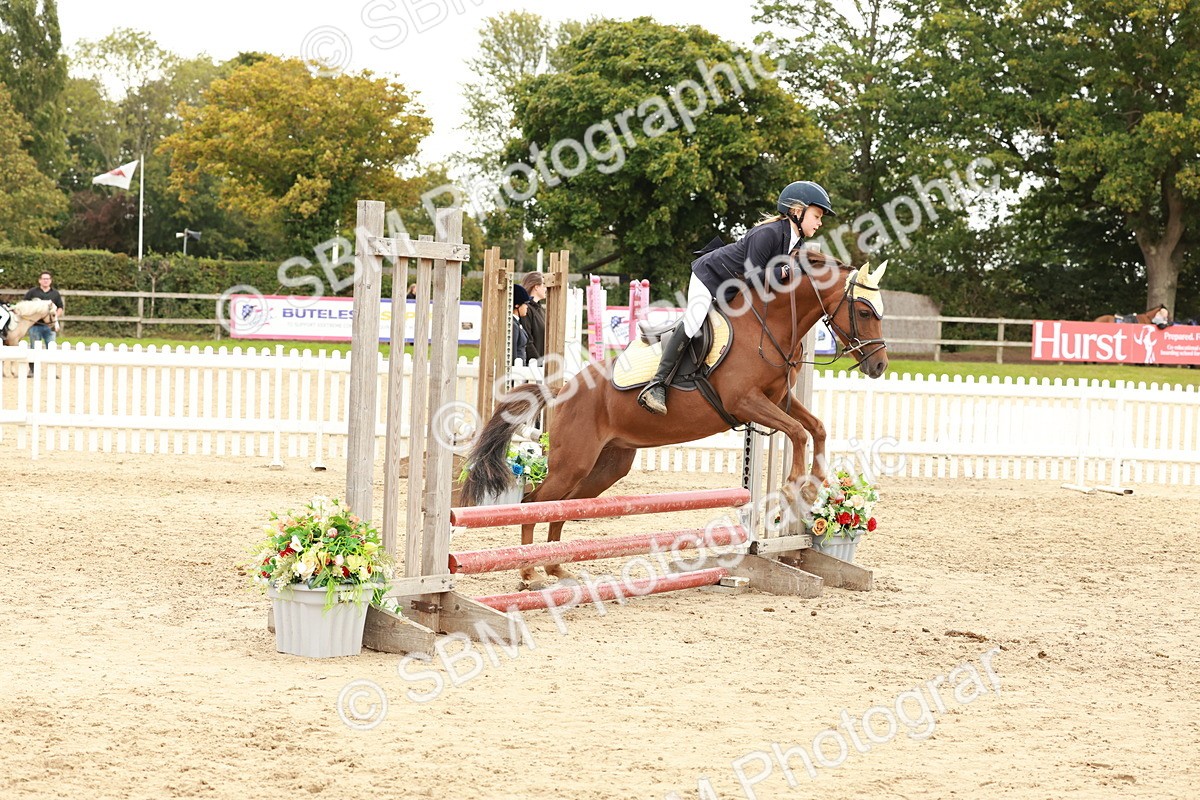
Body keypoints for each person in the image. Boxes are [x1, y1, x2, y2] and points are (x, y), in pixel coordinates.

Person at [637, 180, 835, 415]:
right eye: (817, 215)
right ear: (796, 211)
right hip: (709, 276)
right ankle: (657, 385)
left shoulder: (796, 242)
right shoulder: (768, 234)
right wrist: (783, 271)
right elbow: (753, 276)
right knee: (694, 322)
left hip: (733, 287)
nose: (820, 222)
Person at [23, 271, 64, 375]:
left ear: (50, 281)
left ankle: (52, 371)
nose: (46, 281)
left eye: (48, 279)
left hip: (50, 327)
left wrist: (54, 317)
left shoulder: (55, 294)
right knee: (34, 348)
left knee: (51, 347)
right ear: (39, 280)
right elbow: (25, 304)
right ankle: (32, 370)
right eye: (44, 279)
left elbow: (60, 308)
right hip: (35, 325)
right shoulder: (32, 292)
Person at [519, 272, 548, 363]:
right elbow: (527, 340)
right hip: (532, 366)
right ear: (536, 287)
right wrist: (538, 362)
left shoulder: (540, 309)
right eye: (544, 285)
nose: (546, 289)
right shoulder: (526, 309)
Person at [511, 283, 531, 366]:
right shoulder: (513, 325)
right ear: (517, 305)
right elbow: (513, 353)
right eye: (525, 304)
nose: (527, 307)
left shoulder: (517, 322)